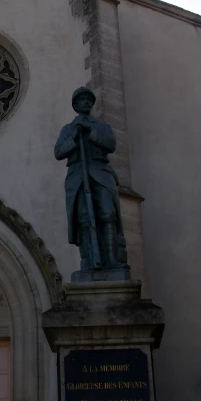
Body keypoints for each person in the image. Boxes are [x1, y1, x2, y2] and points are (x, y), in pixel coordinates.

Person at [54, 87, 128, 272]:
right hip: (78, 175)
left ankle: (111, 260)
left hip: (100, 172)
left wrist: (91, 132)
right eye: (82, 100)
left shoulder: (102, 126)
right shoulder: (68, 129)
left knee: (107, 213)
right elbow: (59, 152)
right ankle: (89, 261)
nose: (86, 102)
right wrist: (74, 137)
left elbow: (110, 144)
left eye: (89, 100)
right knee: (84, 219)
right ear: (75, 105)